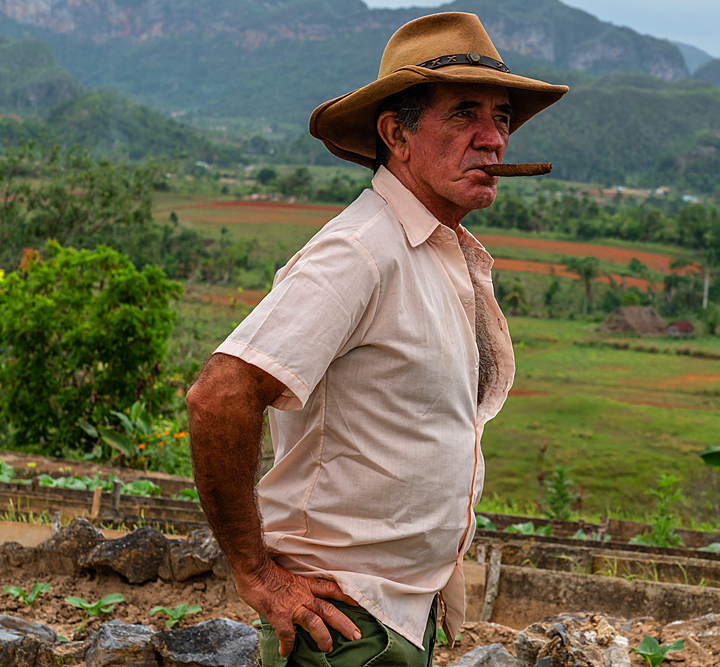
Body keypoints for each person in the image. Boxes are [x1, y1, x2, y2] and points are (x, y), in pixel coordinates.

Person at [185, 12, 567, 667]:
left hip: (391, 620)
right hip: (340, 628)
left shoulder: (436, 252)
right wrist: (257, 574)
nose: (493, 140)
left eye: (501, 117)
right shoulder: (361, 253)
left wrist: (436, 569)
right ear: (397, 134)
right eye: (464, 115)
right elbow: (220, 394)